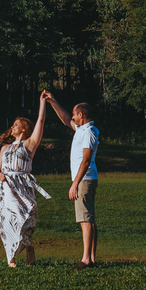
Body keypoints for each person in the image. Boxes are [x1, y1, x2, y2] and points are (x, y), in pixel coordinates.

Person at [0, 92, 51, 267]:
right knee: (8, 221)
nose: (13, 126)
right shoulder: (5, 148)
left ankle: (29, 249)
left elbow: (41, 121)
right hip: (6, 187)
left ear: (25, 129)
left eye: (16, 124)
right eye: (13, 124)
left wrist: (42, 102)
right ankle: (10, 258)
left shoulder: (29, 144)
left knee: (25, 219)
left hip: (23, 186)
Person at [43, 90, 98, 269]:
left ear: (81, 115)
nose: (73, 117)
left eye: (75, 114)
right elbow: (66, 119)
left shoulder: (89, 132)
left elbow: (86, 160)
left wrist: (75, 184)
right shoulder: (82, 129)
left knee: (85, 219)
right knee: (88, 218)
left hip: (84, 179)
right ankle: (91, 258)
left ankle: (86, 259)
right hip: (84, 179)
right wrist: (52, 101)